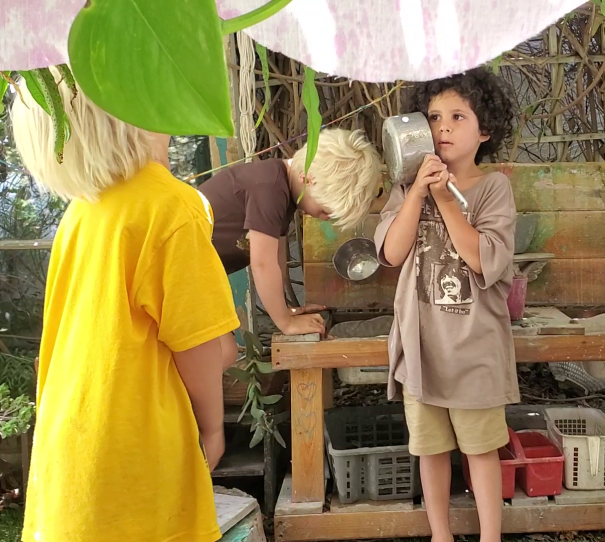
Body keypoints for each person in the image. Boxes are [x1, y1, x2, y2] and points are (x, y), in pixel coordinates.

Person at [12, 69, 240, 542]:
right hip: (133, 467)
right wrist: (213, 428)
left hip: (67, 467)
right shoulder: (170, 207)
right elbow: (198, 345)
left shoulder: (80, 213)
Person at [374, 67, 519, 542]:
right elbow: (392, 253)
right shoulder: (406, 188)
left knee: (480, 449)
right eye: (434, 117)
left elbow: (482, 259)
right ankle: (440, 534)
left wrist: (445, 198)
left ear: (486, 129)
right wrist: (417, 191)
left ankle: (490, 536)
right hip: (422, 347)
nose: (444, 128)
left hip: (474, 349)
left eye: (458, 116)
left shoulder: (494, 187)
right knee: (431, 449)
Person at [199, 128, 383, 336]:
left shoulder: (282, 190)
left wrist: (285, 310)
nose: (323, 218)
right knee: (221, 353)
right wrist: (285, 323)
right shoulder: (269, 188)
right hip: (175, 267)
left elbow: (278, 258)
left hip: (195, 274)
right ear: (307, 179)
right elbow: (263, 264)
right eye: (324, 210)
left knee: (222, 352)